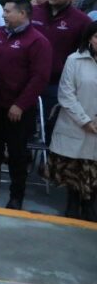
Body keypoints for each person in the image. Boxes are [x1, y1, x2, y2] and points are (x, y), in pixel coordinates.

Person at [0, 0, 52, 210]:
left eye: (7, 11)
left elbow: (39, 78)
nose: (3, 14)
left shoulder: (37, 41)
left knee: (17, 153)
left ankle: (16, 195)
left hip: (18, 109)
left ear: (22, 14)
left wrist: (21, 104)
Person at [49, 21, 97, 220]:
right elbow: (66, 94)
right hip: (76, 123)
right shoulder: (74, 60)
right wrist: (85, 121)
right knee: (74, 167)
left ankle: (90, 206)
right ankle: (72, 202)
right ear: (90, 39)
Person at [32, 0, 91, 137]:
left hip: (57, 82)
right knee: (24, 125)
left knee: (51, 124)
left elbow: (85, 52)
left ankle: (51, 158)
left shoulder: (81, 21)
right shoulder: (33, 13)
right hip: (27, 79)